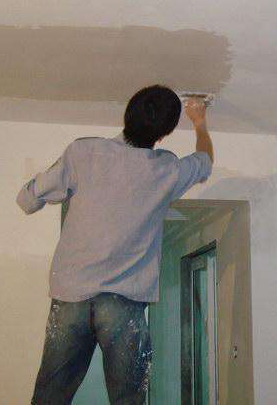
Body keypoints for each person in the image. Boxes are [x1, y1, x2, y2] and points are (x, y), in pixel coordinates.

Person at [17, 85, 214, 404]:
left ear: (127, 114)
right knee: (129, 398)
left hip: (71, 294)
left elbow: (27, 200)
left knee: (50, 396)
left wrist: (40, 191)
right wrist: (200, 121)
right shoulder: (167, 169)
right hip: (124, 302)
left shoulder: (84, 152)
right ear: (164, 134)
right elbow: (205, 162)